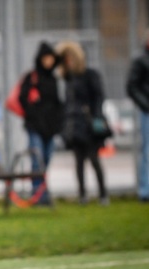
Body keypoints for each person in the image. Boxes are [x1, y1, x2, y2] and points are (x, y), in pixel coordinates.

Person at [56, 41, 110, 206]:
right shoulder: (69, 79)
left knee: (94, 159)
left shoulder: (90, 75)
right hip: (74, 126)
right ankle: (82, 195)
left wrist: (97, 118)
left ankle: (103, 194)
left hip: (89, 124)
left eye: (70, 58)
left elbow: (99, 97)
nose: (68, 62)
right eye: (65, 59)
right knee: (78, 161)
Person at [18, 41, 63, 205]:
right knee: (37, 161)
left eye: (51, 58)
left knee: (47, 159)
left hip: (51, 128)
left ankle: (42, 193)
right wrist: (33, 113)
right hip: (35, 126)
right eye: (46, 58)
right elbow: (22, 98)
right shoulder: (32, 77)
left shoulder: (53, 79)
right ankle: (38, 197)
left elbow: (57, 103)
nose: (48, 61)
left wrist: (59, 122)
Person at [126, 32, 149, 203]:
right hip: (147, 111)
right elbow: (132, 86)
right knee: (147, 151)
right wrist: (146, 105)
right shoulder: (140, 61)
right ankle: (145, 191)